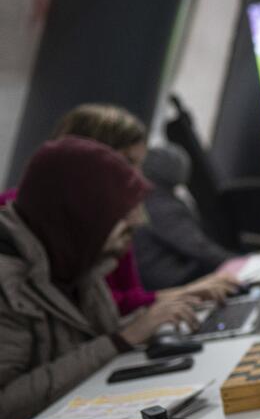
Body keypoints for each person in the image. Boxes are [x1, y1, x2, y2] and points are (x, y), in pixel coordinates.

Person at [0, 138, 200, 419]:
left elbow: (92, 341)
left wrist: (145, 324)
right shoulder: (10, 281)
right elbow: (5, 408)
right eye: (120, 227)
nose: (125, 245)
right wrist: (125, 337)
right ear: (79, 218)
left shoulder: (74, 258)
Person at [0, 104, 237, 314]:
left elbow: (124, 297)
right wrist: (184, 294)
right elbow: (82, 311)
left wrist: (186, 294)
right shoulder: (22, 216)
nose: (137, 177)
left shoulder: (112, 211)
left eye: (139, 165)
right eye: (127, 162)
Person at [132, 144, 240, 291]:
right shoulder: (163, 206)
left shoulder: (149, 198)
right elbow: (200, 249)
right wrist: (242, 263)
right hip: (175, 283)